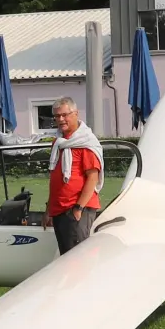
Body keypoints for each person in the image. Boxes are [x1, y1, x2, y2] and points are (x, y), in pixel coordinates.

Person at [44, 96, 102, 254]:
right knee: (66, 258)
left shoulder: (85, 142)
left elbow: (93, 177)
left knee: (78, 259)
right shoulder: (59, 142)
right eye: (57, 116)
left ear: (76, 114)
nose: (60, 119)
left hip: (76, 210)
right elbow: (55, 178)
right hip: (59, 210)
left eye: (64, 115)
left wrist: (78, 208)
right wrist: (49, 209)